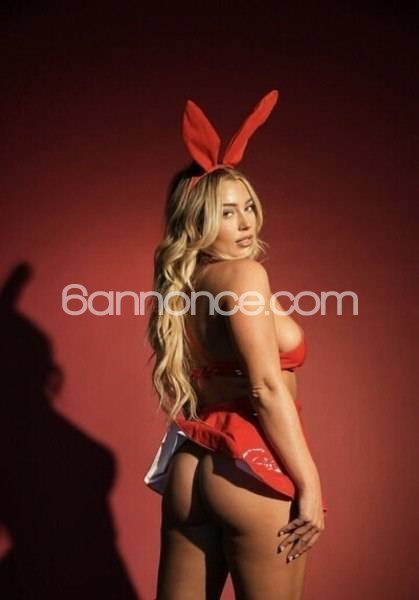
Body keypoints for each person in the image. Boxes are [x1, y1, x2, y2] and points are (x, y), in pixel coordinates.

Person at [144, 90, 327, 600]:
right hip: (250, 466)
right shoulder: (244, 276)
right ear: (197, 220)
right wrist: (309, 482)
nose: (246, 222)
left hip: (190, 466)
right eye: (227, 212)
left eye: (248, 206)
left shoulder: (181, 284)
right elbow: (266, 388)